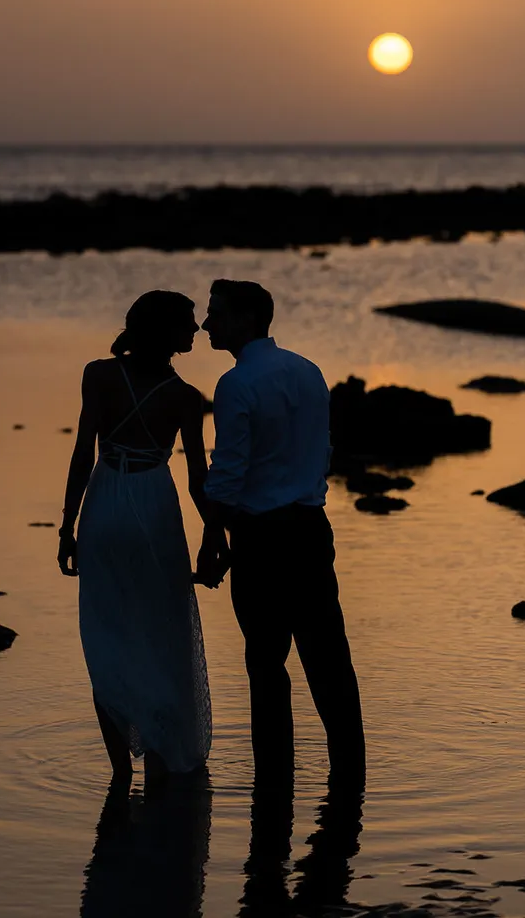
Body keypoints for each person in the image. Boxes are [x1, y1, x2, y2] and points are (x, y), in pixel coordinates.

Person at [197, 278, 366, 787]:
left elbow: (227, 474)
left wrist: (213, 536)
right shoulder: (308, 371)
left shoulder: (236, 384)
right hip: (312, 529)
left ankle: (274, 783)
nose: (207, 324)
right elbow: (322, 452)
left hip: (261, 536)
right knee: (328, 656)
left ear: (247, 320)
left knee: (266, 665)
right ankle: (351, 774)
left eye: (217, 315)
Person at [58, 290, 222, 782]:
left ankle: (118, 774)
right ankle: (156, 762)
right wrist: (214, 536)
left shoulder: (98, 375)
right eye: (187, 324)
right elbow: (198, 479)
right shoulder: (185, 399)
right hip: (153, 509)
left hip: (104, 505)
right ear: (165, 332)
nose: (195, 331)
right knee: (161, 638)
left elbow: (81, 456)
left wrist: (66, 526)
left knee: (108, 637)